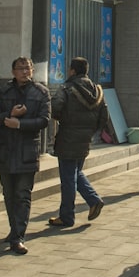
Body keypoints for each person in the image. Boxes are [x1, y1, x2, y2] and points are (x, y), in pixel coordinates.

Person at [0, 57, 50, 255]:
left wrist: (21, 124)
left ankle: (18, 237)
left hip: (27, 150)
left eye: (28, 68)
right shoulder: (4, 91)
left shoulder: (41, 92)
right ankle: (14, 230)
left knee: (23, 195)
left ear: (32, 70)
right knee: (9, 194)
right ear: (13, 71)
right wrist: (9, 114)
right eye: (20, 68)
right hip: (6, 149)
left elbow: (44, 120)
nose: (24, 71)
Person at [49, 56, 108, 227]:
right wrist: (90, 130)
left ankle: (67, 216)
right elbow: (104, 116)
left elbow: (55, 108)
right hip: (85, 139)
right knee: (75, 172)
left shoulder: (67, 88)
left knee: (68, 179)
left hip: (67, 137)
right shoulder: (97, 91)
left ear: (72, 70)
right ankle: (94, 200)